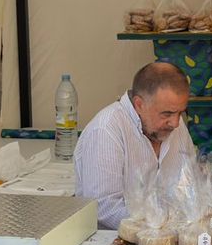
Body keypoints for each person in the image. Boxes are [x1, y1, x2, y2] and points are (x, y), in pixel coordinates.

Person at [73, 61, 195, 228]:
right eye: (167, 113)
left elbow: (189, 187)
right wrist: (159, 226)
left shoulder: (177, 127)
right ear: (139, 104)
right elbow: (103, 208)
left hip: (167, 240)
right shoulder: (106, 130)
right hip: (109, 244)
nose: (175, 123)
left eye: (180, 112)